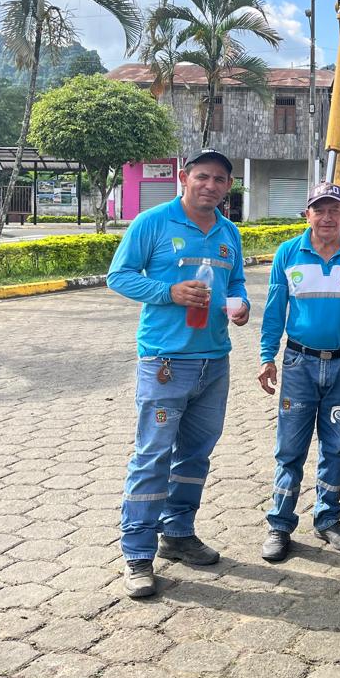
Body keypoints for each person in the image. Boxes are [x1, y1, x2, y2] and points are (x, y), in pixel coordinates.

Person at [107, 149, 250, 598]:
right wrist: (169, 291)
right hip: (165, 362)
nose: (211, 185)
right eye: (202, 177)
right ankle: (137, 554)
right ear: (185, 179)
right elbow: (119, 276)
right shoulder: (152, 222)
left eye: (220, 179)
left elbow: (236, 281)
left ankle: (179, 532)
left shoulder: (229, 232)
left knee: (195, 455)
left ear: (228, 186)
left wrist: (241, 304)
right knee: (152, 456)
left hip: (215, 360)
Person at [257, 182, 340, 562]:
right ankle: (280, 525)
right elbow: (274, 312)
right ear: (307, 214)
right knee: (290, 450)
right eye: (320, 209)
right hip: (299, 364)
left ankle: (328, 519)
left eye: (335, 210)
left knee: (336, 446)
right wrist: (267, 357)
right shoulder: (288, 253)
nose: (327, 217)